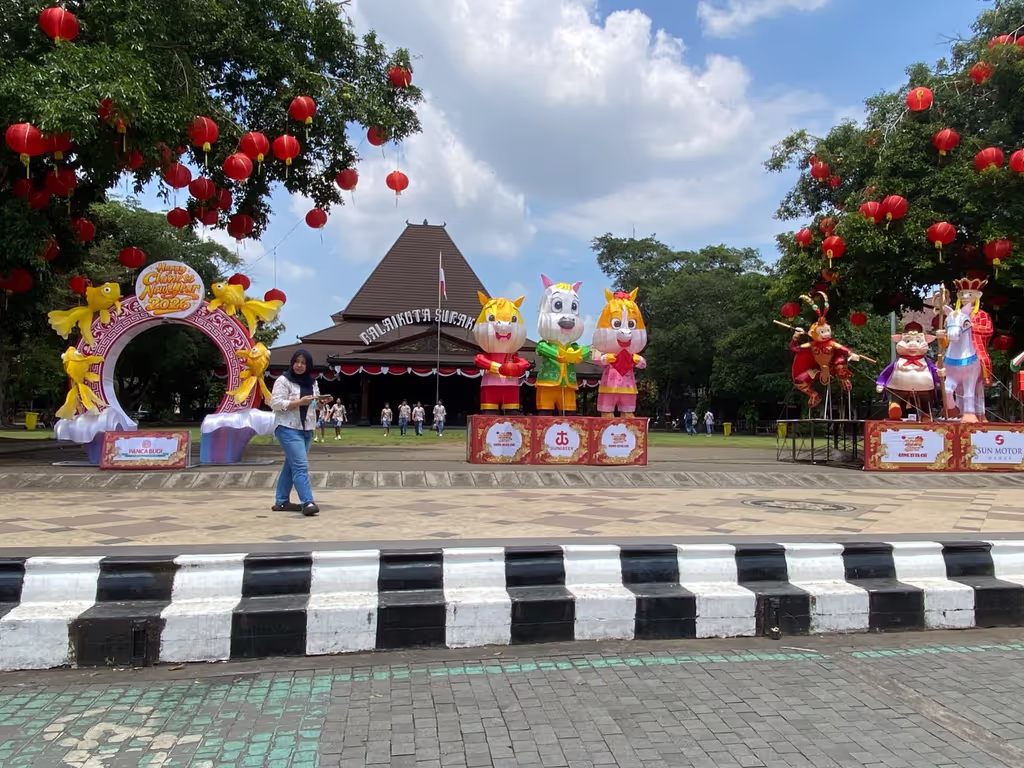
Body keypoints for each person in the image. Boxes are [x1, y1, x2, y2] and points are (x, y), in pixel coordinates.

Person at [269, 349, 330, 516]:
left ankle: (281, 502)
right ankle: (307, 502)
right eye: (297, 361)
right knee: (300, 466)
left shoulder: (312, 383)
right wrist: (298, 402)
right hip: (288, 427)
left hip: (307, 429)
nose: (299, 365)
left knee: (291, 465)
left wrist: (320, 404)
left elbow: (312, 405)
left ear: (308, 365)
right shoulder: (283, 381)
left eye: (303, 362)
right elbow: (274, 403)